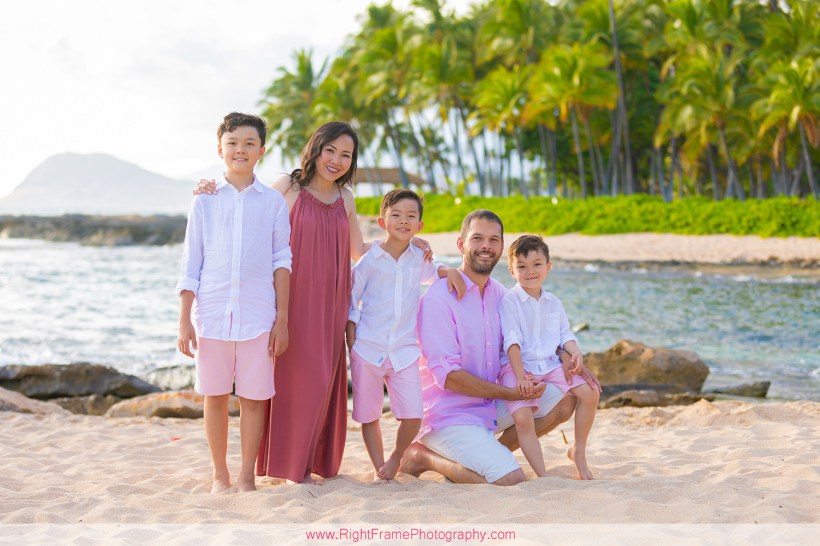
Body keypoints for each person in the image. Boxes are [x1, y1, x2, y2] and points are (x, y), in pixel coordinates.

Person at [195, 122, 431, 484]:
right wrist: (210, 189)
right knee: (290, 381)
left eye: (346, 155)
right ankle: (287, 467)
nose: (336, 160)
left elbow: (358, 252)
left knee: (320, 381)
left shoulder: (346, 198)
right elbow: (246, 219)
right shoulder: (287, 188)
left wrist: (407, 240)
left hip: (333, 303)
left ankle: (304, 463)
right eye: (330, 150)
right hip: (291, 299)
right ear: (316, 147)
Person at [399, 210, 600, 485]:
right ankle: (422, 457)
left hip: (489, 405)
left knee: (566, 398)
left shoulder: (500, 295)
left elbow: (534, 338)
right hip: (449, 415)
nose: (486, 246)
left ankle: (493, 453)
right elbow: (448, 377)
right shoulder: (438, 298)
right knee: (509, 478)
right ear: (461, 244)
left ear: (502, 248)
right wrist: (509, 392)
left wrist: (567, 356)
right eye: (477, 238)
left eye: (494, 240)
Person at [176, 112, 292, 493]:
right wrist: (184, 320)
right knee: (214, 396)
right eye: (233, 143)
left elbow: (281, 261)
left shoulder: (273, 202)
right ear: (220, 149)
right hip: (211, 313)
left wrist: (283, 319)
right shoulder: (204, 201)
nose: (240, 150)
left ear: (261, 149)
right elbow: (191, 262)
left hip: (260, 315)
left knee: (255, 398)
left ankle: (245, 477)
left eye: (248, 143)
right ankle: (219, 474)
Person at [346, 189, 465, 481]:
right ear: (382, 221)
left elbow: (434, 272)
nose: (403, 221)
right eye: (396, 215)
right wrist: (352, 345)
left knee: (413, 415)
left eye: (411, 216)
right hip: (367, 350)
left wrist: (448, 270)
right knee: (369, 415)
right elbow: (351, 303)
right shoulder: (368, 261)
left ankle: (397, 455)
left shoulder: (419, 259)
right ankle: (379, 469)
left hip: (405, 352)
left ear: (420, 226)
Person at [500, 235, 601, 480]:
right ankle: (543, 476)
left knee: (591, 392)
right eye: (521, 267)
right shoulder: (509, 302)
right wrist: (521, 376)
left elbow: (564, 334)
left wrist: (575, 353)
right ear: (512, 271)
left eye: (536, 264)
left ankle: (578, 449)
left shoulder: (554, 302)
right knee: (523, 419)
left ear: (548, 266)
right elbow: (511, 342)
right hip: (518, 367)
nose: (530, 271)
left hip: (550, 364)